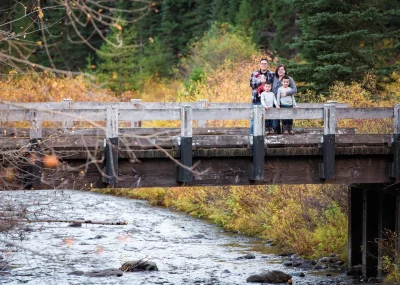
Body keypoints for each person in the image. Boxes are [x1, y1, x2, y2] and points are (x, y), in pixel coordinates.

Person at [249, 59, 275, 136]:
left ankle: (265, 136)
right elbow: (252, 84)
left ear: (267, 65)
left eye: (265, 63)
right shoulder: (255, 73)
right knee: (254, 118)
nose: (263, 65)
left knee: (267, 118)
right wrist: (261, 81)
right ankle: (252, 135)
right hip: (256, 99)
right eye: (262, 63)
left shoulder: (271, 74)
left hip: (267, 101)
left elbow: (273, 86)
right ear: (260, 64)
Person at [272, 64, 297, 134]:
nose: (280, 71)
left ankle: (285, 139)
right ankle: (276, 142)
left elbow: (295, 90)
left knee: (286, 119)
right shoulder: (274, 78)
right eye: (279, 69)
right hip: (275, 103)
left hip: (285, 103)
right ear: (277, 71)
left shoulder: (289, 79)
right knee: (275, 124)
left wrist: (286, 93)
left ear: (285, 70)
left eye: (282, 69)